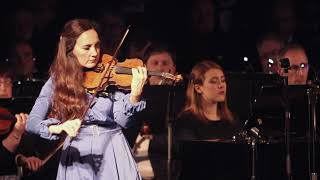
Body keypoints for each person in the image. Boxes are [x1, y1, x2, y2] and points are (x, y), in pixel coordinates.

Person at [25, 18, 147, 180]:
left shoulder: (110, 74)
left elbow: (123, 122)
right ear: (70, 49)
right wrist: (58, 128)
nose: (95, 53)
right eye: (86, 47)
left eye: (97, 45)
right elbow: (31, 123)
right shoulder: (58, 80)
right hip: (77, 156)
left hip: (112, 150)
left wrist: (134, 96)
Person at [175, 60, 239, 141]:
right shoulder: (186, 121)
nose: (221, 85)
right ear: (198, 88)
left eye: (223, 80)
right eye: (214, 81)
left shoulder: (231, 120)